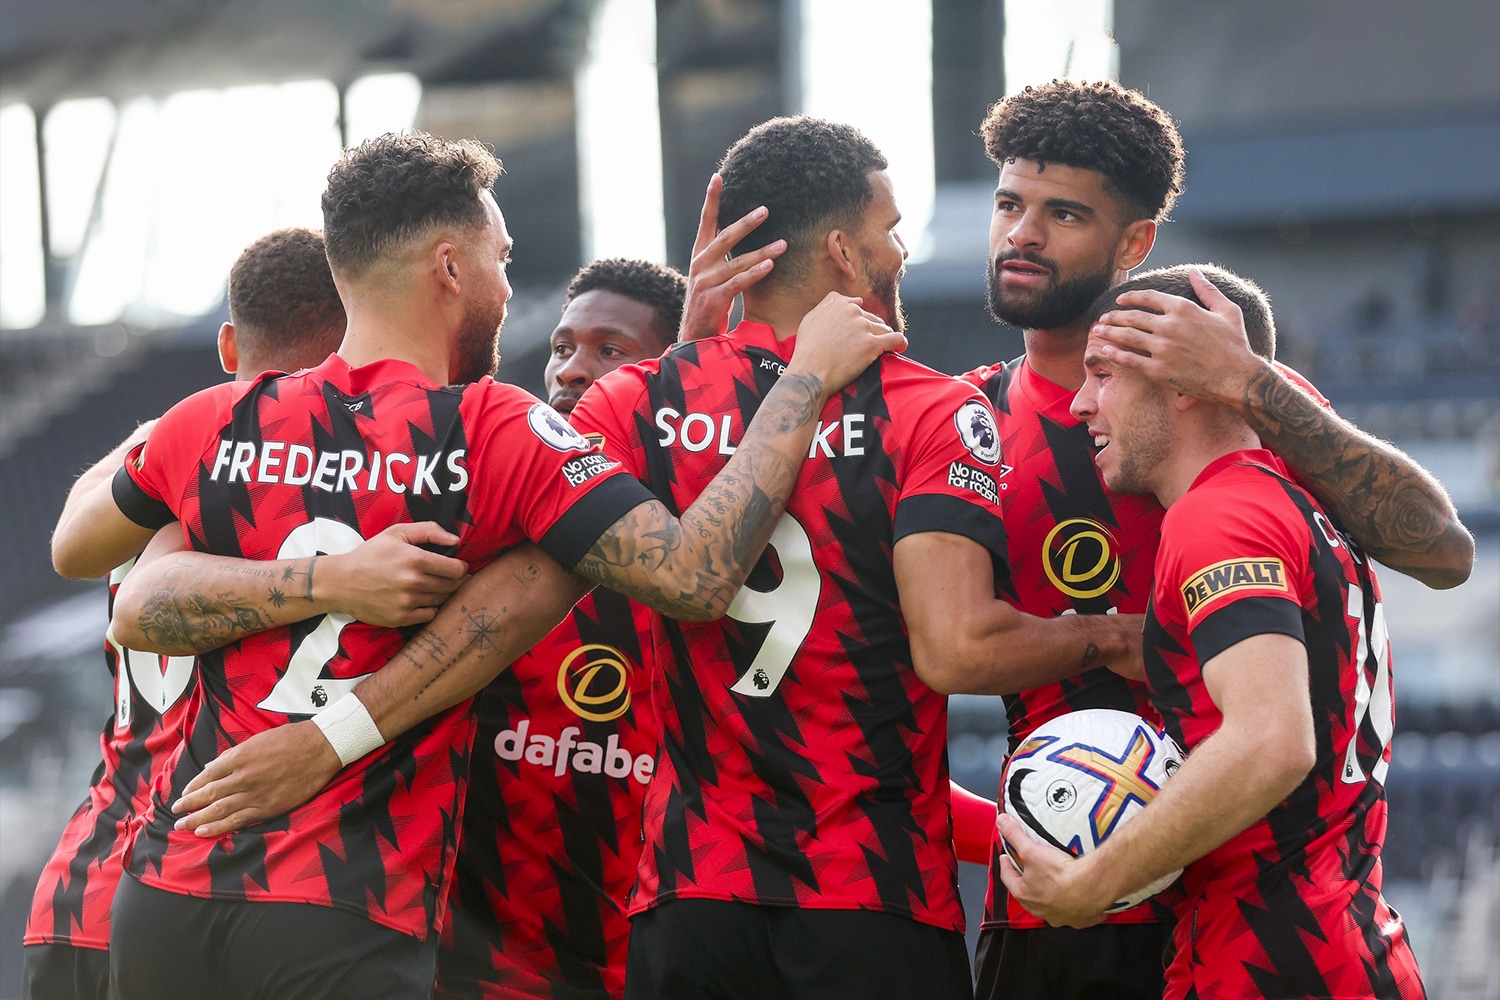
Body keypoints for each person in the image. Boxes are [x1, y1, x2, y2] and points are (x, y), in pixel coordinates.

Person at [50, 131, 901, 1000]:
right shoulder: (494, 432)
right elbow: (693, 577)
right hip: (341, 897)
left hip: (165, 891)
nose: (507, 280)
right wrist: (802, 377)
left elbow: (121, 589)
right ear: (450, 269)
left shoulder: (209, 421)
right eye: (500, 257)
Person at [572, 115, 1143, 1000]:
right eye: (889, 231)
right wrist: (1110, 636)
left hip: (692, 891)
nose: (902, 252)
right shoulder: (938, 409)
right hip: (870, 893)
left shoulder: (633, 399)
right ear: (843, 252)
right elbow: (955, 650)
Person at [958, 79, 1471, 1000]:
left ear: (1134, 242)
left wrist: (1252, 382)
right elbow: (943, 647)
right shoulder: (967, 423)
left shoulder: (1239, 414)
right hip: (1071, 898)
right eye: (1008, 205)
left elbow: (1441, 550)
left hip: (1235, 886)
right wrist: (1115, 640)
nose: (1022, 235)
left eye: (1062, 213)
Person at [21, 228, 454, 1000]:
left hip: (86, 890)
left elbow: (67, 548)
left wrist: (151, 437)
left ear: (230, 345)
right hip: (245, 887)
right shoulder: (361, 480)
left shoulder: (169, 464)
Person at [998, 263, 1426, 999]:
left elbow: (1270, 741)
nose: (1079, 404)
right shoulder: (1297, 502)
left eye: (1102, 374)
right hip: (1342, 939)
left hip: (1267, 960)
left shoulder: (1219, 517)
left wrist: (1092, 883)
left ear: (1187, 383)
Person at [435, 257, 685, 1000]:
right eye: (562, 348)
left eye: (610, 351)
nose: (572, 372)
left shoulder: (699, 567)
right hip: (474, 968)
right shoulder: (477, 530)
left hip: (652, 964)